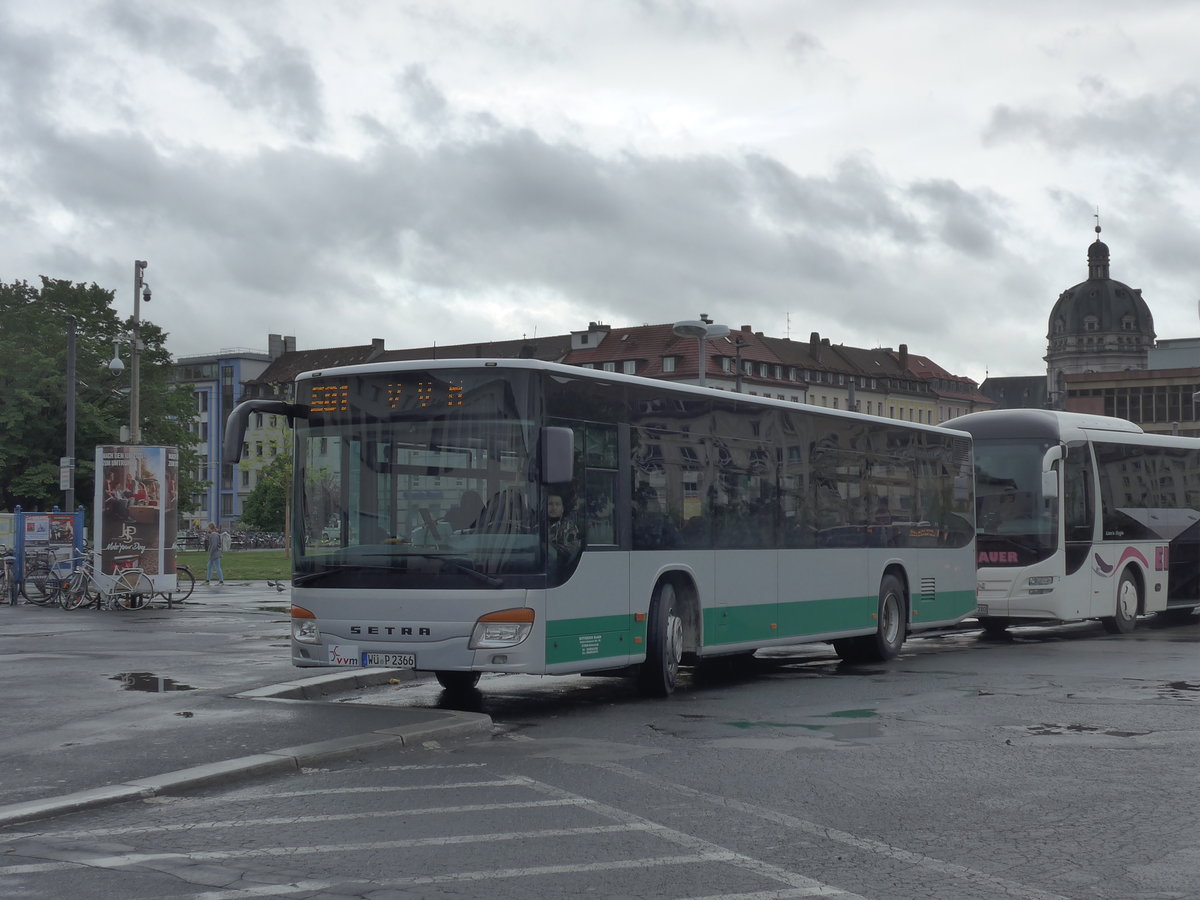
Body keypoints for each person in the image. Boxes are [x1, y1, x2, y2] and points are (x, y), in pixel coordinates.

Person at [547, 493, 581, 571]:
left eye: (557, 504)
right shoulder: (537, 526)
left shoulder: (569, 527)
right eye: (550, 504)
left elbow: (570, 553)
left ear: (562, 509)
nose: (554, 507)